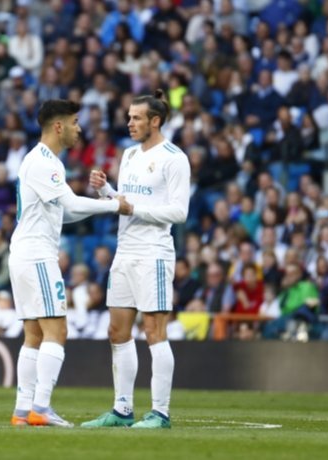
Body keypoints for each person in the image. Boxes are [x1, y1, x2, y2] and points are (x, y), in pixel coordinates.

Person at [8, 99, 132, 428]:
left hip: (24, 251)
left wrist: (107, 203)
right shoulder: (44, 162)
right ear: (58, 126)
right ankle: (41, 407)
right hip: (36, 253)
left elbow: (69, 211)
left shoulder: (40, 161)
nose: (80, 128)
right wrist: (113, 205)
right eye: (75, 122)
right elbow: (71, 205)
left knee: (33, 334)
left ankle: (22, 410)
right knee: (57, 330)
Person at [82, 90, 190, 429]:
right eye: (129, 117)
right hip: (124, 251)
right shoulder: (128, 155)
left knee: (154, 331)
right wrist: (105, 191)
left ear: (154, 121)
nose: (129, 123)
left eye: (136, 118)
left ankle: (160, 412)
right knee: (117, 331)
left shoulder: (174, 158)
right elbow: (125, 201)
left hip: (153, 254)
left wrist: (134, 207)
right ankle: (122, 410)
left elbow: (179, 211)